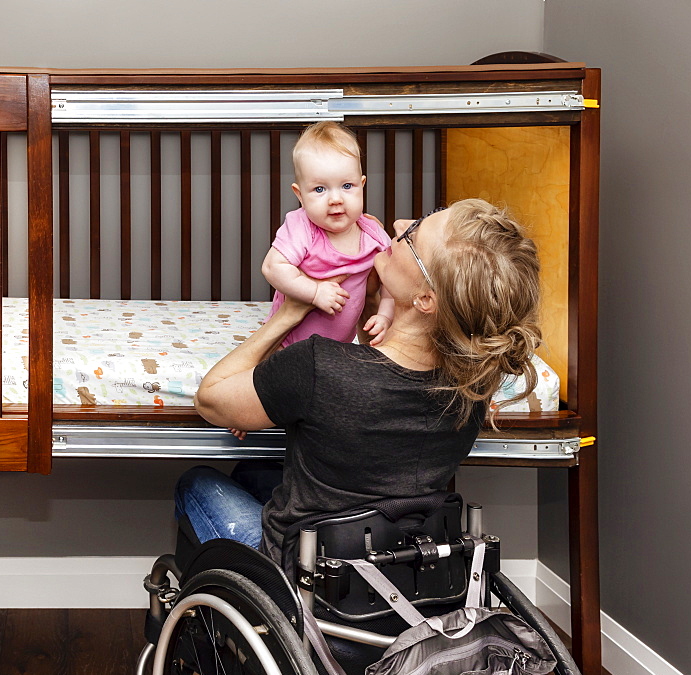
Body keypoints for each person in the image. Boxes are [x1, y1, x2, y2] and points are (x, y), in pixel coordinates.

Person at [177, 199, 542, 566]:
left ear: (426, 298)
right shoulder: (473, 383)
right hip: (402, 567)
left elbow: (210, 399)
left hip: (308, 574)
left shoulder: (317, 365)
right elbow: (385, 367)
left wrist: (287, 315)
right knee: (254, 473)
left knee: (196, 482)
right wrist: (372, 302)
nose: (399, 224)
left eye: (413, 234)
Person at [262, 121, 393, 348]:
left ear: (362, 185)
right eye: (320, 189)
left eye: (347, 186)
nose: (336, 199)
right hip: (287, 345)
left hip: (337, 347)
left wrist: (385, 316)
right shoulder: (301, 228)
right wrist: (314, 292)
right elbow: (273, 267)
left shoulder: (374, 236)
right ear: (300, 194)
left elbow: (392, 285)